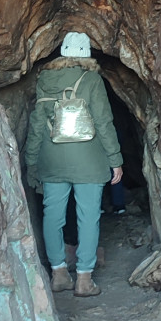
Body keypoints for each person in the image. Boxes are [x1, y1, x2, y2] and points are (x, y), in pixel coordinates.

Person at [25, 32, 123, 297]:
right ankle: (84, 279)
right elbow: (103, 122)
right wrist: (115, 160)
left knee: (52, 216)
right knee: (88, 217)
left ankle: (58, 274)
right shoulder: (92, 80)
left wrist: (31, 160)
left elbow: (36, 124)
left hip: (52, 159)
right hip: (88, 161)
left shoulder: (45, 79)